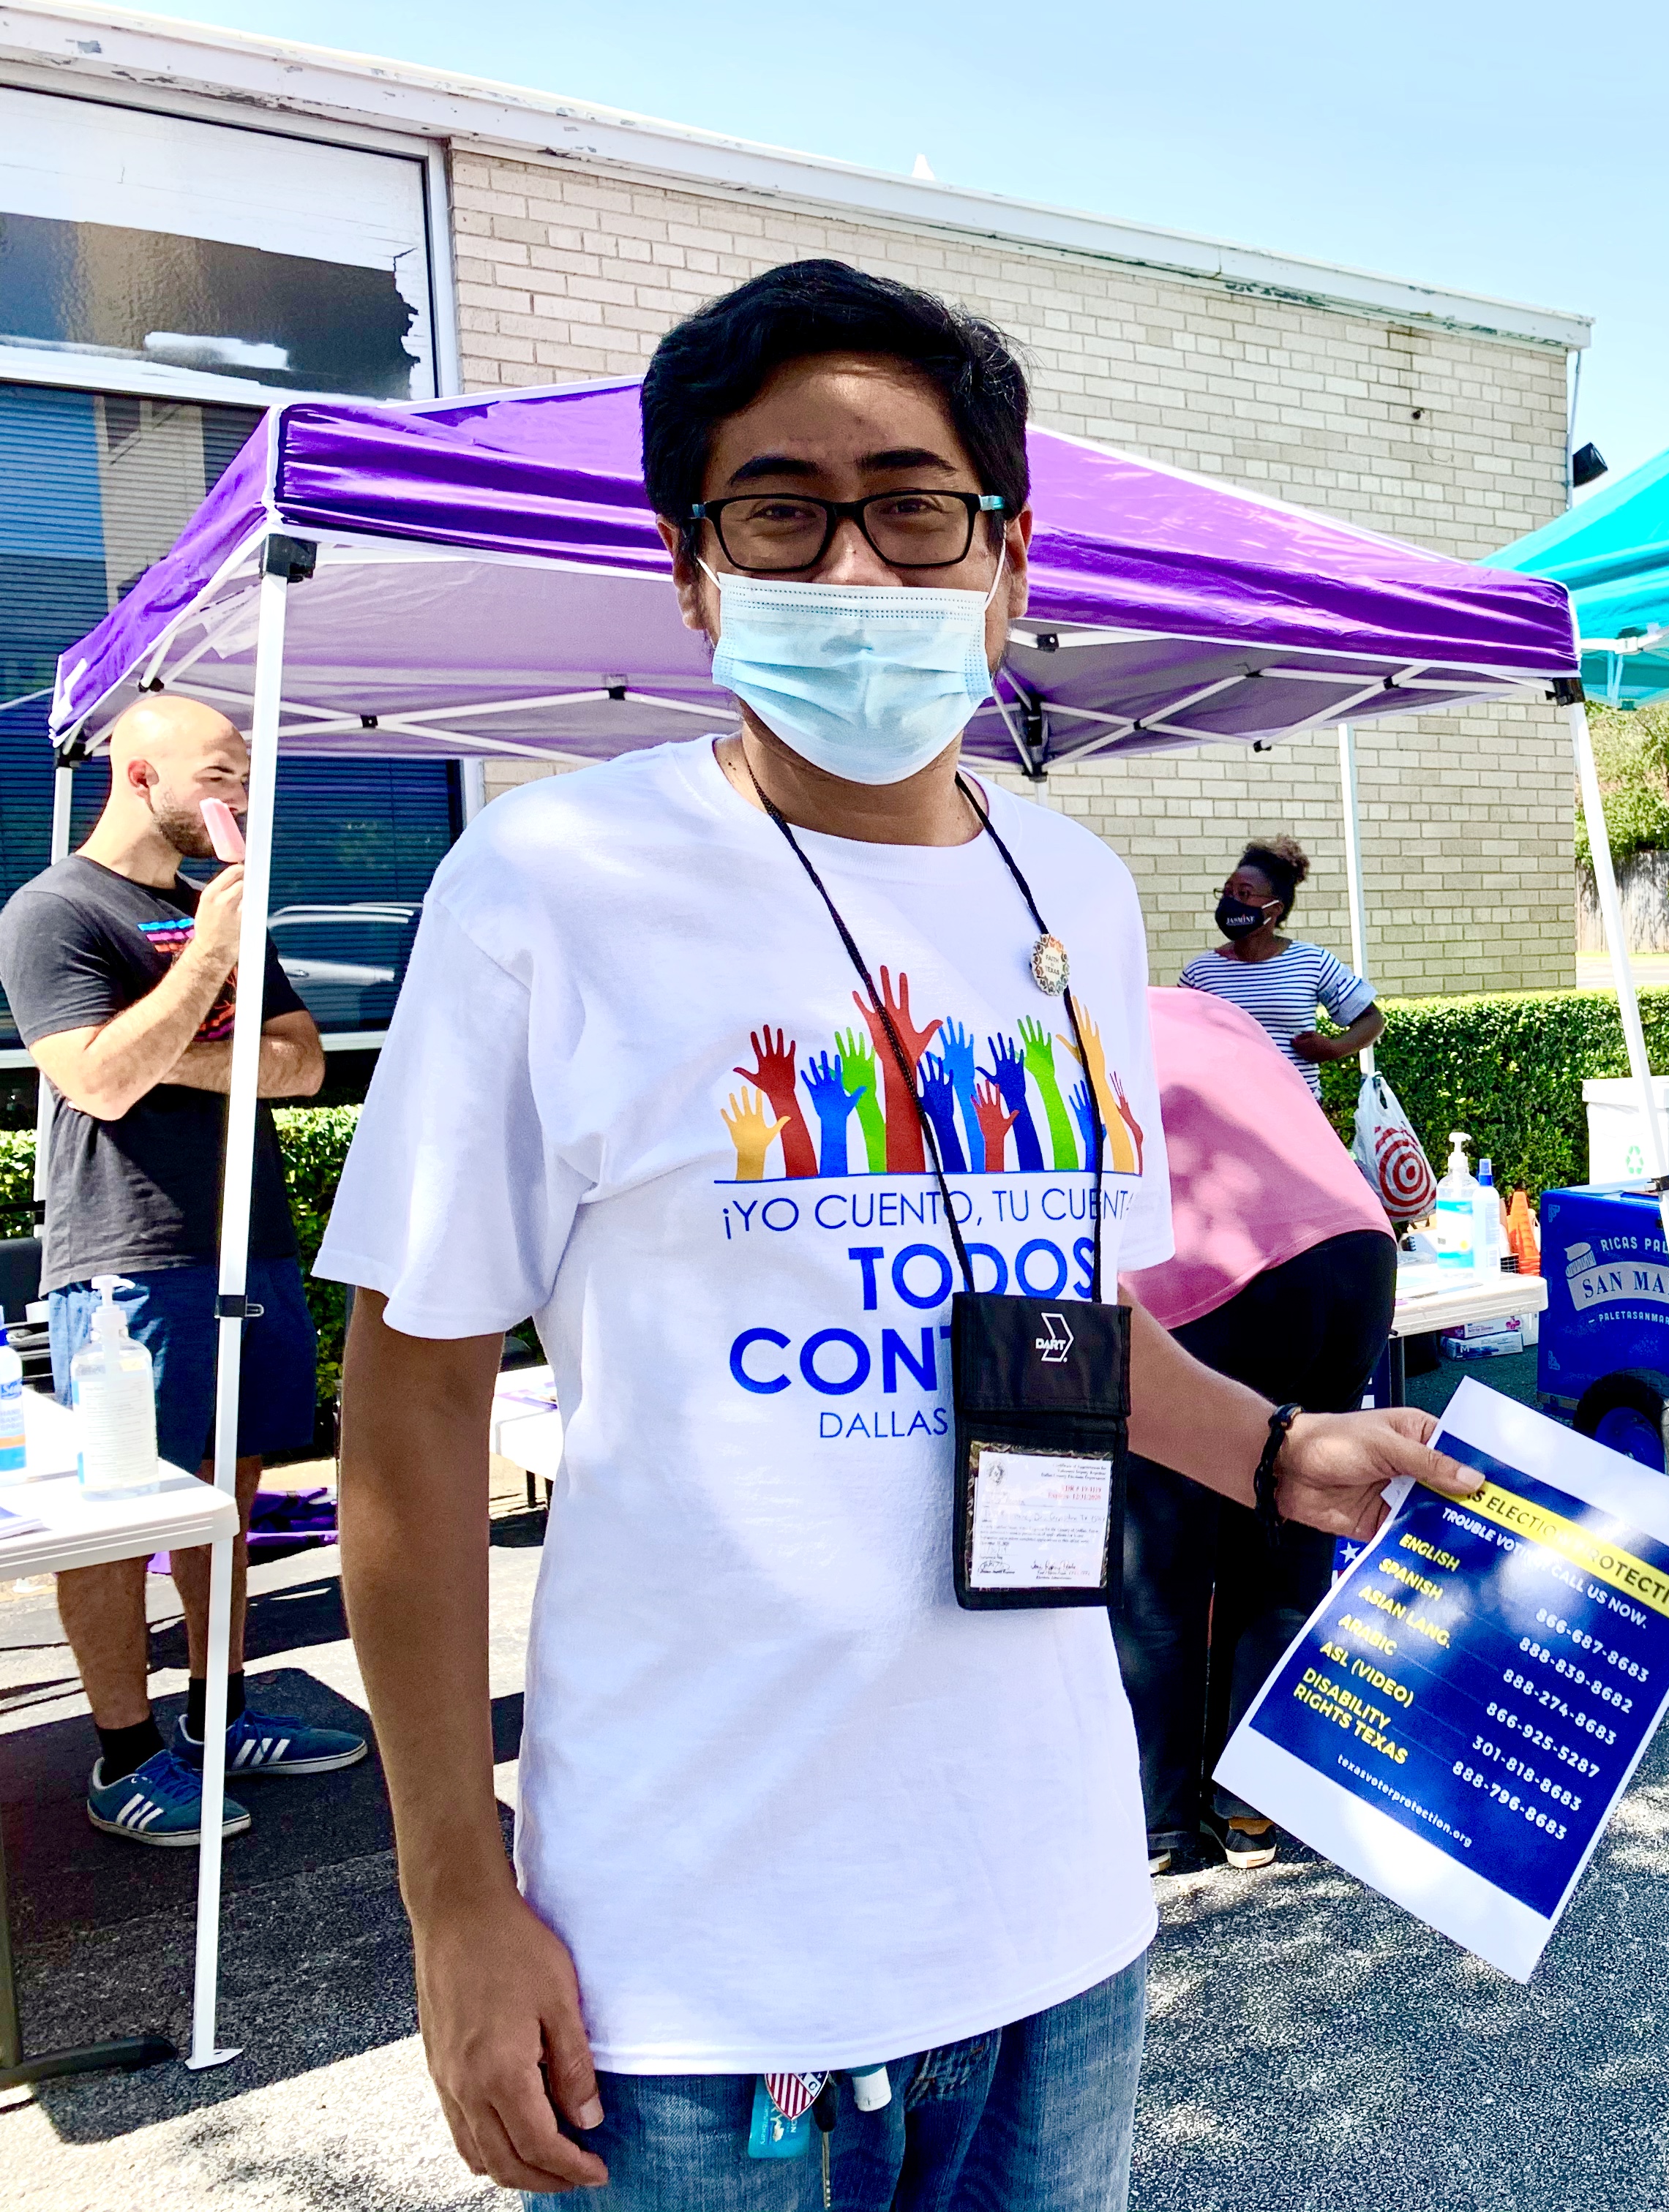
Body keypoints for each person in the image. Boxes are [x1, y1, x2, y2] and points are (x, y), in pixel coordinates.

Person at [318, 259, 1475, 2210]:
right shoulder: (552, 881)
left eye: (915, 506)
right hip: (686, 1974)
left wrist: (1281, 1451)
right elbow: (412, 1397)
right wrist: (453, 1893)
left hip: (1050, 1915)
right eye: (781, 509)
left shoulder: (1079, 892)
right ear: (693, 571)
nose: (854, 569)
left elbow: (1066, 1312)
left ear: (1006, 560)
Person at [0, 692, 356, 1850]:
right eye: (221, 773)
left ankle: (220, 1710)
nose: (241, 797)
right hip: (129, 1252)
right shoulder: (57, 911)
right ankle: (124, 1755)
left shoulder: (219, 905)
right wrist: (207, 965)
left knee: (228, 1492)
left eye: (245, 775)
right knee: (120, 1512)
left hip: (245, 1242)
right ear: (142, 777)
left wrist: (174, 1037)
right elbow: (91, 1081)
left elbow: (300, 1068)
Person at [1112, 987, 1395, 1877]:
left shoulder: (1075, 1024)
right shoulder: (1212, 1012)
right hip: (1352, 1249)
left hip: (1212, 1270)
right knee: (1296, 1521)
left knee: (1159, 1560)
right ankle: (1254, 1808)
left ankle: (1160, 1823)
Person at [1176, 835, 1381, 1091]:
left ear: (1274, 909)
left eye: (1244, 893)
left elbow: (1372, 1019)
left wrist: (1334, 1048)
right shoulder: (1200, 972)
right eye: (1227, 892)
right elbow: (1178, 1039)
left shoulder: (1312, 962)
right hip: (1227, 1114)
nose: (1231, 901)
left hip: (1297, 1112)